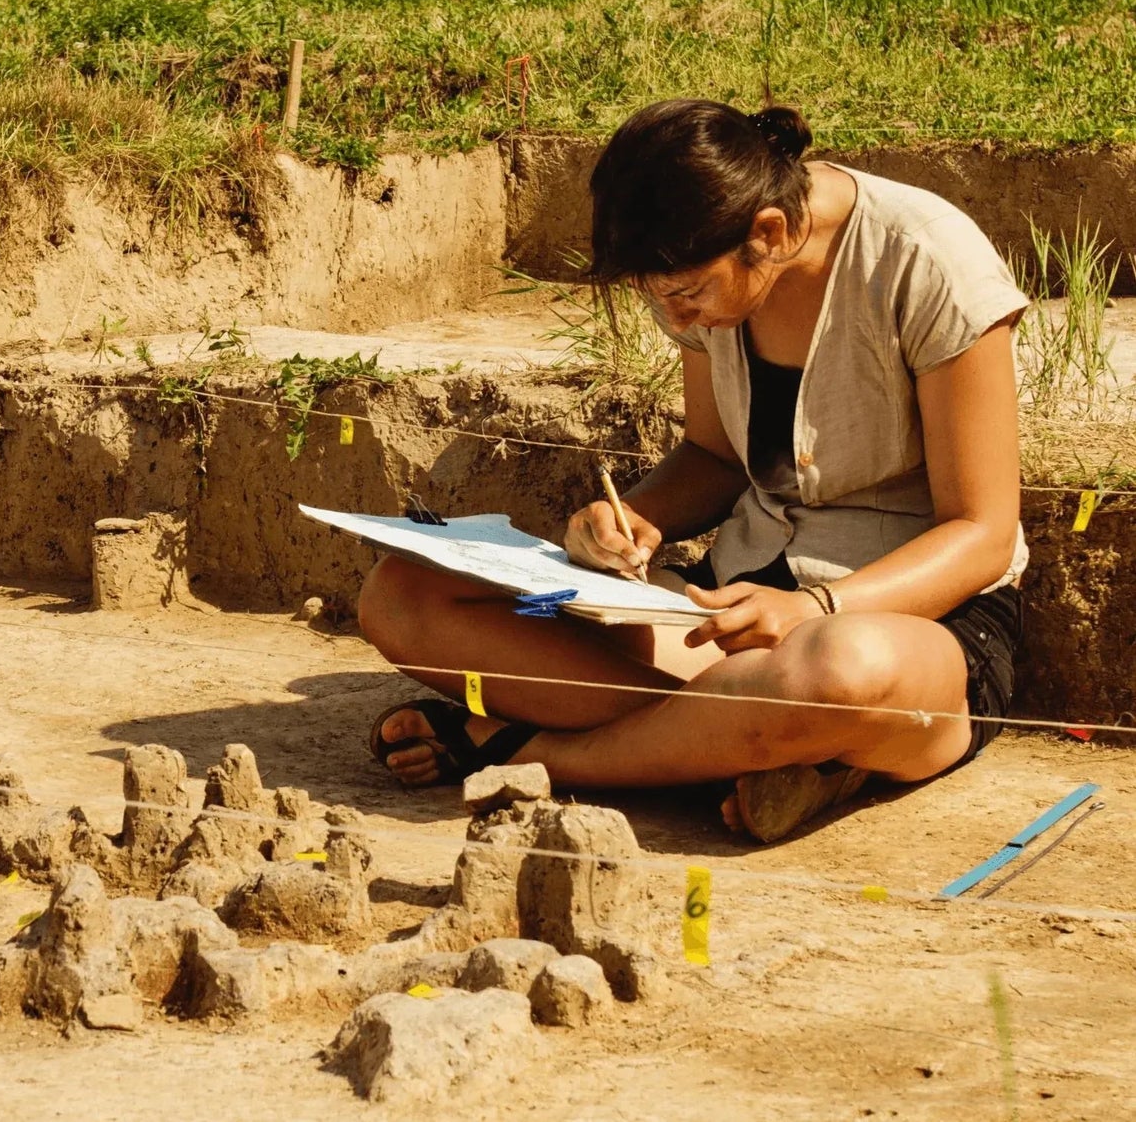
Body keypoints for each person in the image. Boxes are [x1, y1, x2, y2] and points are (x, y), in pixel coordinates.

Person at [357, 97, 1028, 841]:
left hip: (911, 632)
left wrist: (817, 609)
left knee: (836, 671)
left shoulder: (928, 258)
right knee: (407, 595)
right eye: (658, 299)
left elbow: (984, 532)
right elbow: (713, 456)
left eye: (686, 295)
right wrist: (636, 519)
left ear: (766, 234)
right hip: (722, 620)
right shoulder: (699, 270)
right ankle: (751, 746)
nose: (677, 321)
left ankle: (529, 751)